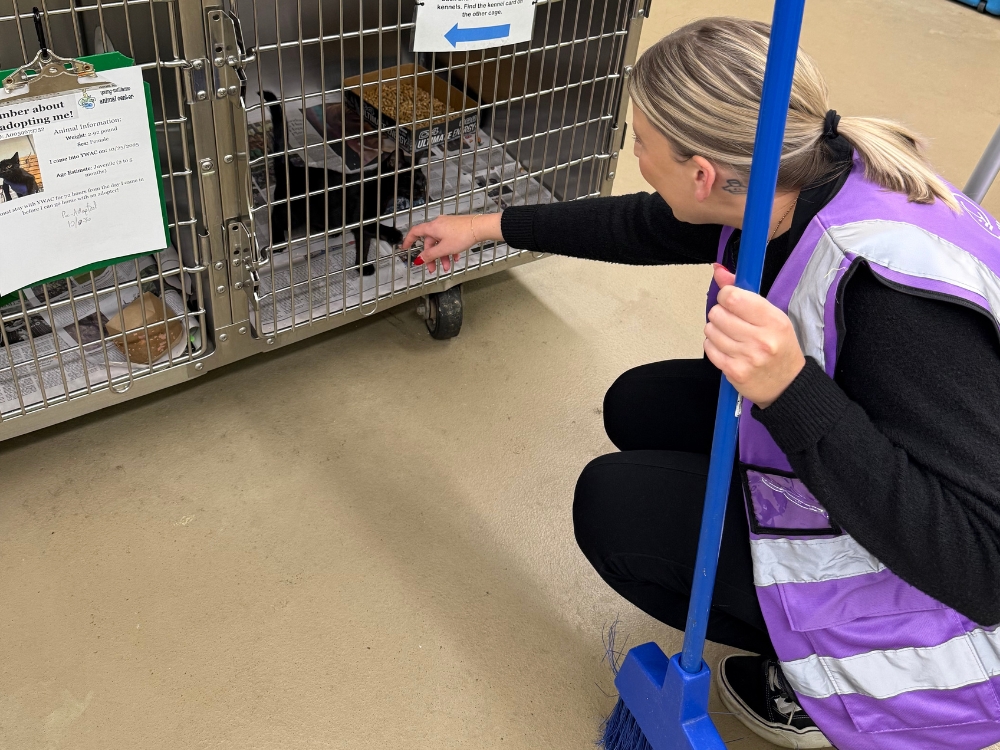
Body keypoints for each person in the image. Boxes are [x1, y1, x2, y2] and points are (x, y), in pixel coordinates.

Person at [403, 17, 1000, 750]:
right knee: (640, 404)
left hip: (954, 621)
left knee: (615, 507)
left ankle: (811, 684)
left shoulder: (889, 304)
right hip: (883, 447)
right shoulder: (801, 173)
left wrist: (791, 391)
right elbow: (647, 225)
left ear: (703, 174)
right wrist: (489, 224)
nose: (636, 157)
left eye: (642, 143)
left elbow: (980, 570)